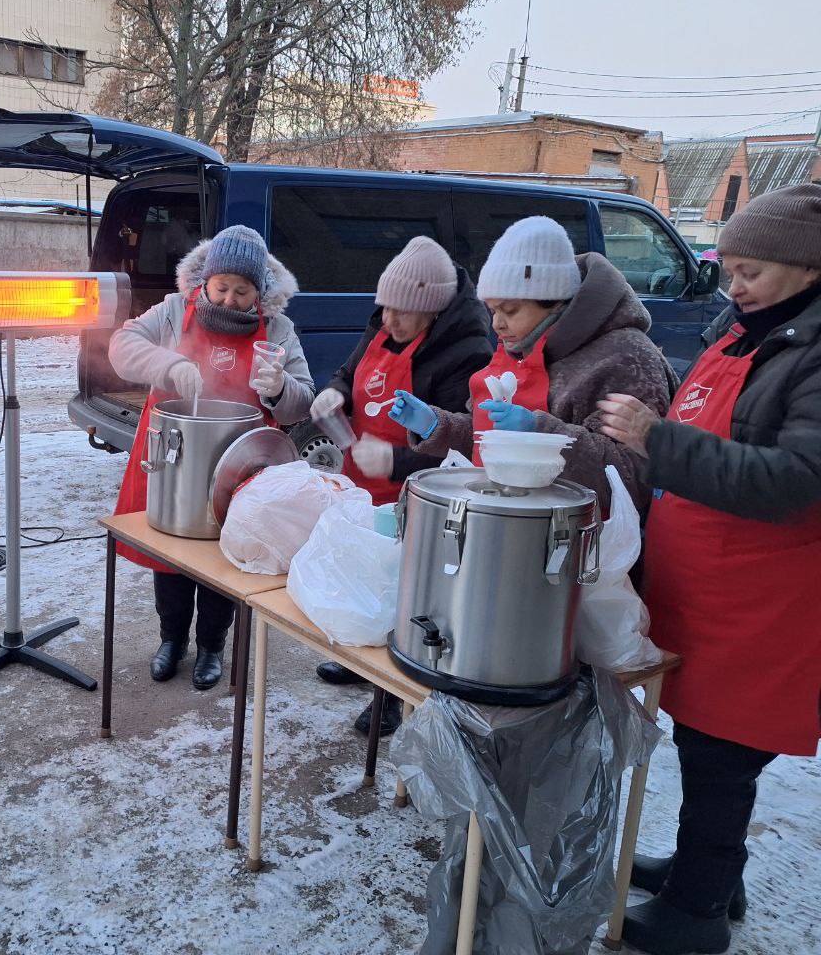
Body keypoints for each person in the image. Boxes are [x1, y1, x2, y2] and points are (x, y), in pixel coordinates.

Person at [598, 183, 821, 955]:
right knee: (702, 747)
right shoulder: (745, 332)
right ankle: (710, 875)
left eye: (751, 269)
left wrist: (659, 441)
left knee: (724, 758)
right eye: (727, 265)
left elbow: (793, 483)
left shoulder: (813, 353)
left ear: (808, 267)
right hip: (701, 589)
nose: (734, 284)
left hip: (762, 605)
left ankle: (697, 917)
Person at [109, 225, 313, 689]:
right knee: (173, 552)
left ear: (259, 291)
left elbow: (304, 401)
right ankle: (171, 640)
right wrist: (170, 364)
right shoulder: (175, 309)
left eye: (243, 292)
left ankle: (212, 648)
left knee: (228, 553)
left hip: (242, 461)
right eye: (222, 288)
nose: (229, 300)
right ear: (205, 281)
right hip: (176, 451)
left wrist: (280, 389)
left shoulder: (278, 329)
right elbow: (121, 348)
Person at [308, 236, 491, 736]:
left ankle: (389, 695)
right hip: (360, 479)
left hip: (418, 493)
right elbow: (351, 371)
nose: (389, 320)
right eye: (384, 307)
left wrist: (396, 458)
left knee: (403, 596)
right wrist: (334, 392)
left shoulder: (466, 350)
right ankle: (356, 659)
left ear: (431, 311)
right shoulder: (384, 323)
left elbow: (463, 444)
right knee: (363, 576)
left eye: (402, 313)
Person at [388, 215, 677, 513]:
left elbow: (634, 477)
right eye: (492, 310)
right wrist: (437, 425)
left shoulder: (625, 358)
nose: (497, 325)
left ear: (554, 300)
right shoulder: (519, 344)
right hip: (501, 520)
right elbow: (488, 438)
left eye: (510, 311)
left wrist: (540, 434)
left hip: (577, 542)